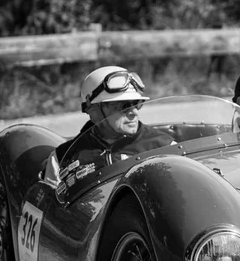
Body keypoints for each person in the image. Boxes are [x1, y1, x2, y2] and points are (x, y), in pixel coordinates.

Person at [43, 66, 175, 189]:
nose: (134, 112)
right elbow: (52, 208)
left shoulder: (165, 146)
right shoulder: (62, 157)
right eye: (122, 106)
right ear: (94, 111)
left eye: (137, 104)